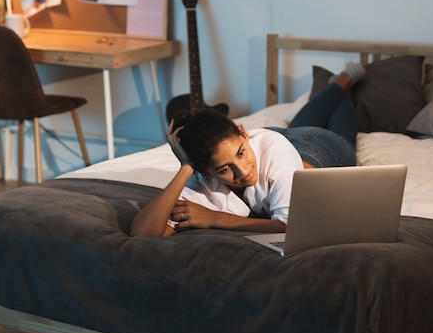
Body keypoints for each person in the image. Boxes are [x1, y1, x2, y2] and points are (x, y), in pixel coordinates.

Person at [130, 63, 365, 237]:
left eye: (241, 153)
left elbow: (289, 227)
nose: (242, 172)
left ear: (244, 133)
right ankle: (338, 87)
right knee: (298, 124)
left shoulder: (274, 149)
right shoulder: (201, 176)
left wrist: (214, 218)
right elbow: (144, 234)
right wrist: (186, 167)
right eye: (224, 169)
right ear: (206, 171)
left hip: (318, 149)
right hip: (281, 139)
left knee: (341, 134)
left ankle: (342, 82)